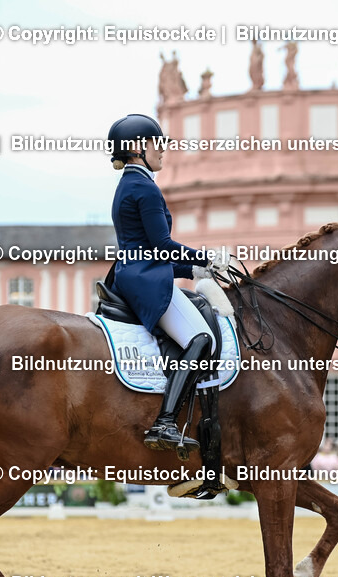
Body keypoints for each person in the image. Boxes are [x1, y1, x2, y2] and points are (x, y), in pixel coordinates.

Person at [107, 114, 225, 497]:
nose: (164, 150)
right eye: (159, 143)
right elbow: (160, 247)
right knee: (202, 337)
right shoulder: (145, 189)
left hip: (134, 272)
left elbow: (152, 249)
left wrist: (196, 266)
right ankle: (166, 421)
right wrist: (206, 259)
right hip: (145, 278)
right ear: (138, 147)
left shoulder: (132, 184)